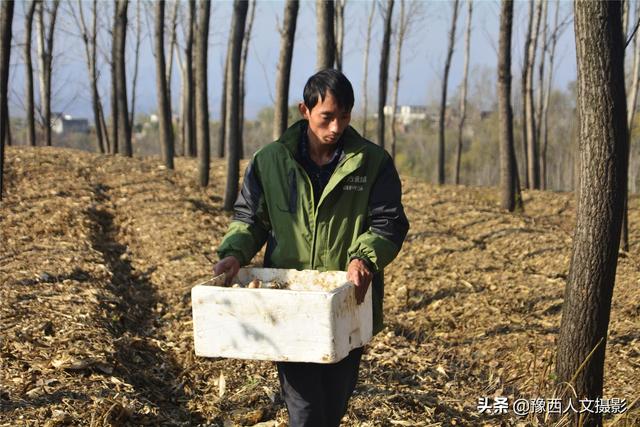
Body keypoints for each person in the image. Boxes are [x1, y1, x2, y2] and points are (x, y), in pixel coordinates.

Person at [213, 69, 409, 426]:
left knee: (331, 408)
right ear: (304, 110)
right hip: (289, 305)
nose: (336, 128)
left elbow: (389, 223)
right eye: (327, 117)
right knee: (304, 410)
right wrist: (234, 253)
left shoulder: (372, 162)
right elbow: (251, 219)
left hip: (348, 303)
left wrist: (362, 258)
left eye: (344, 117)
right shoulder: (270, 161)